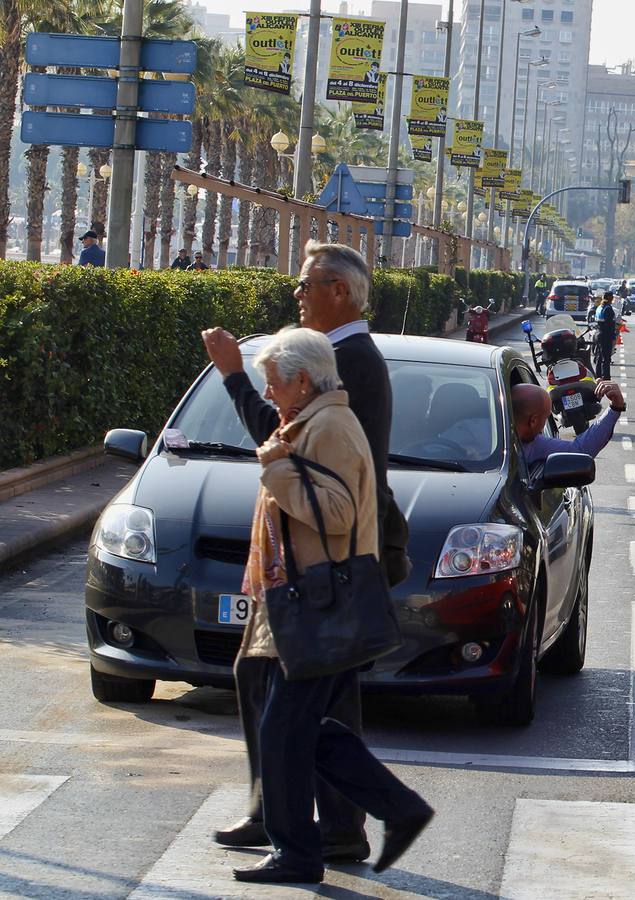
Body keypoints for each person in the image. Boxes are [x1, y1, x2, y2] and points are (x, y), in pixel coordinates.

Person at [201, 241, 410, 864]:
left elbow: (299, 453)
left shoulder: (346, 363)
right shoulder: (337, 357)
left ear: (340, 291)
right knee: (279, 689)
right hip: (306, 567)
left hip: (325, 569)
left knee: (300, 701)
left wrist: (234, 378)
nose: (297, 294)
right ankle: (291, 814)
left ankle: (318, 823)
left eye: (308, 284)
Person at [234, 326, 432, 884]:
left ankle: (298, 852)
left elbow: (337, 515)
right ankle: (397, 809)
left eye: (272, 383)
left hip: (321, 600)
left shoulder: (331, 427)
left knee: (283, 731)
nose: (268, 394)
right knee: (302, 728)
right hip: (306, 599)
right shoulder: (312, 420)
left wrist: (275, 467)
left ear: (302, 380)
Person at [514, 379, 626, 465]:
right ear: (533, 421)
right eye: (545, 419)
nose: (544, 426)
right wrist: (615, 408)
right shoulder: (533, 446)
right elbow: (580, 452)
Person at [592, 291, 618, 380]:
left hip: (598, 334)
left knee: (599, 356)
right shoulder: (608, 309)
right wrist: (613, 337)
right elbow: (610, 325)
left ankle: (598, 376)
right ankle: (606, 377)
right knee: (606, 358)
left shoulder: (600, 307)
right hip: (606, 335)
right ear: (611, 298)